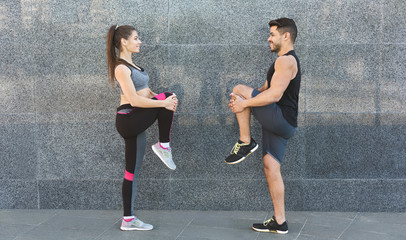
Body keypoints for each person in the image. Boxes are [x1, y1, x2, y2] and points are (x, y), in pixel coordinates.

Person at [226, 18, 301, 234]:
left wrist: (244, 101)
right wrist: (241, 104)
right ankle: (280, 221)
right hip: (281, 122)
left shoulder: (286, 61)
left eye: (272, 34)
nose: (268, 38)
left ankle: (245, 142)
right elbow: (264, 89)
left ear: (285, 36)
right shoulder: (280, 61)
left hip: (281, 118)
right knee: (271, 166)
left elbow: (275, 95)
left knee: (239, 88)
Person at [106, 24, 178, 231]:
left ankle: (127, 219)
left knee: (131, 172)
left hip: (136, 118)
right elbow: (134, 100)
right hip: (128, 118)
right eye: (136, 38)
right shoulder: (121, 67)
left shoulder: (135, 66)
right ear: (124, 42)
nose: (140, 42)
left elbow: (147, 93)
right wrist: (164, 102)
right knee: (166, 96)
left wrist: (166, 102)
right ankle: (164, 145)